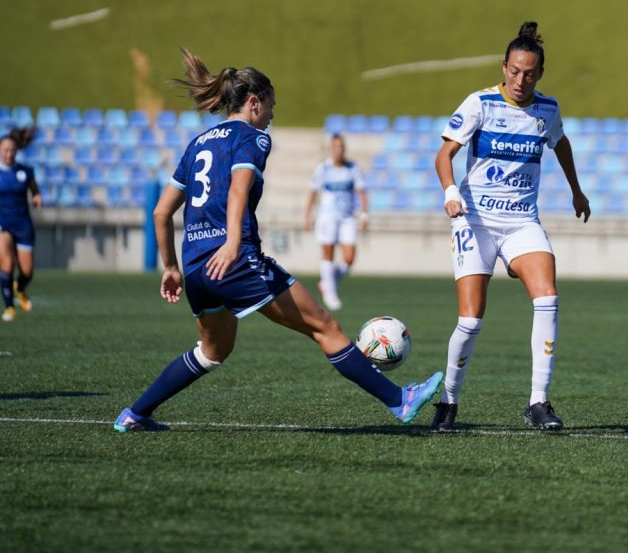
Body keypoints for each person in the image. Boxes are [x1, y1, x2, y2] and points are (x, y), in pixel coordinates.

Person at [114, 49, 442, 432]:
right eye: (271, 106)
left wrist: (170, 267)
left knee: (213, 350)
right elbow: (238, 189)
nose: (272, 115)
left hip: (196, 268)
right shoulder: (253, 138)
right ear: (253, 103)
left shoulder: (199, 143)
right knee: (324, 326)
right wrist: (234, 242)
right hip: (234, 260)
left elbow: (160, 212)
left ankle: (135, 414)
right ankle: (399, 401)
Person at [432, 21, 591, 433]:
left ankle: (538, 401)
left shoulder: (546, 110)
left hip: (521, 222)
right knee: (470, 321)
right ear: (504, 67)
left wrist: (577, 190)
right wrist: (451, 192)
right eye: (515, 71)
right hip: (476, 221)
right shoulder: (479, 103)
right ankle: (448, 402)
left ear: (540, 74)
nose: (522, 80)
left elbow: (561, 143)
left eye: (531, 73)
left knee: (548, 297)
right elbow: (444, 155)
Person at [304, 134, 369, 311]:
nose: (338, 150)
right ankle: (330, 292)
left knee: (349, 258)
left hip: (347, 217)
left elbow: (362, 192)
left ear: (344, 149)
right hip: (327, 216)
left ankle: (327, 281)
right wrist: (307, 216)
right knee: (328, 253)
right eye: (336, 147)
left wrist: (364, 215)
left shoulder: (353, 168)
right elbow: (313, 192)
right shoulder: (323, 169)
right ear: (331, 149)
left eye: (341, 146)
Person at [0, 128, 42, 322]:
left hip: (23, 224)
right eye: (5, 150)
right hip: (3, 224)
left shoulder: (24, 172)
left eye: (12, 150)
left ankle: (20, 287)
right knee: (6, 263)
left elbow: (35, 191)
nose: (9, 154)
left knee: (27, 271)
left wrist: (37, 197)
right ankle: (9, 307)